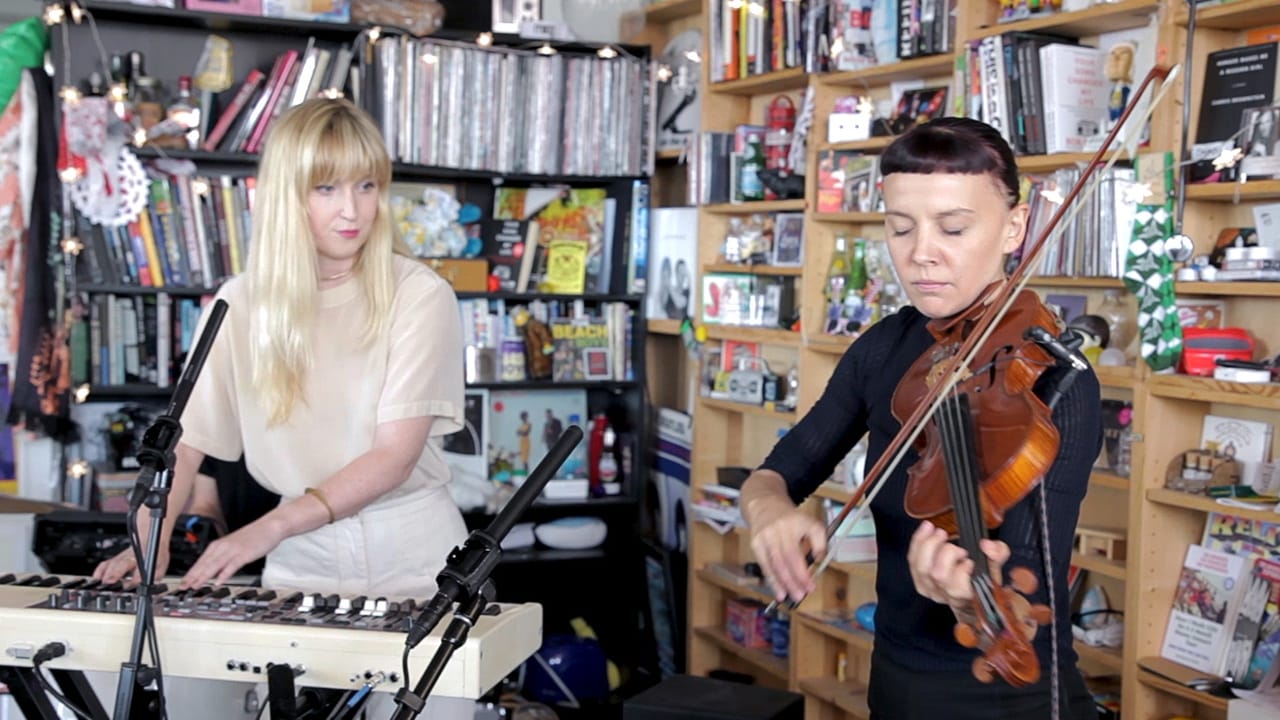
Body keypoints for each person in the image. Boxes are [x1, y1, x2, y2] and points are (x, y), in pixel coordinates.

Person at [94, 97, 473, 719]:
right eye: (325, 188)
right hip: (304, 560)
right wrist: (148, 541)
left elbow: (393, 458)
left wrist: (265, 530)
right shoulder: (239, 302)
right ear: (285, 196)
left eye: (366, 185)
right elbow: (186, 441)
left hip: (413, 556)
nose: (351, 210)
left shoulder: (419, 295)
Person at [741, 117, 1101, 720]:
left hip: (1010, 696)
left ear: (1015, 228)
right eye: (900, 228)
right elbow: (778, 471)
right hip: (895, 683)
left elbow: (1025, 585)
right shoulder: (885, 346)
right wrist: (769, 510)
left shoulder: (1056, 380)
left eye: (953, 228)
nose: (921, 254)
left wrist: (965, 598)